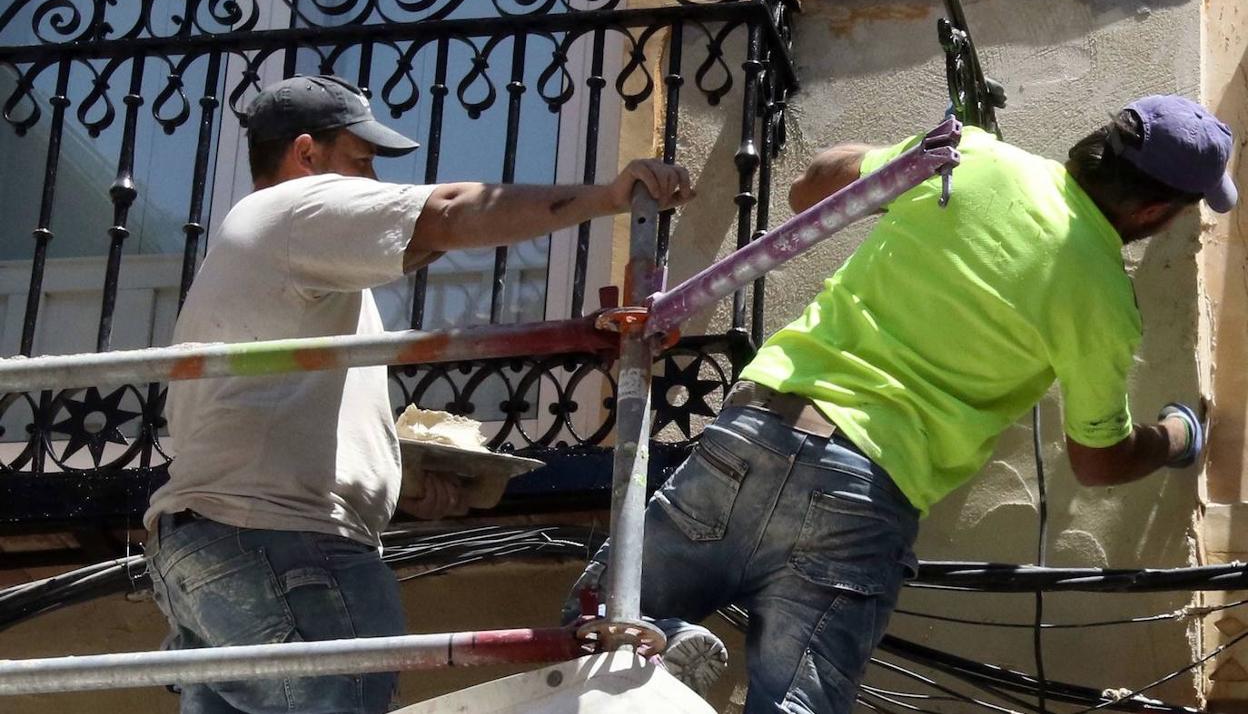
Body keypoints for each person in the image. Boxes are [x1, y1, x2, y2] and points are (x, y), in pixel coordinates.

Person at [566, 94, 1235, 713]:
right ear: (1153, 211)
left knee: (591, 632)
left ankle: (663, 639)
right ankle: (662, 642)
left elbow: (812, 187)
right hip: (863, 498)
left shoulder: (969, 156)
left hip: (755, 434)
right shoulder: (1104, 300)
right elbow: (1099, 460)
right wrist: (1175, 436)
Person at [142, 73, 693, 714]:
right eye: (363, 161)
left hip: (217, 548)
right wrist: (605, 196)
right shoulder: (293, 211)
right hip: (281, 545)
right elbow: (448, 215)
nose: (374, 185)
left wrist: (399, 481)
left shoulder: (277, 260)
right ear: (306, 154)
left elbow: (271, 420)